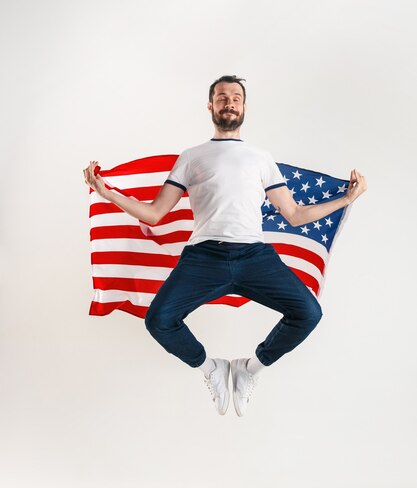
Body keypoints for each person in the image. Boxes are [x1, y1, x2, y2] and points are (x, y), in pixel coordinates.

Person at [83, 74, 367, 417]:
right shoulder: (192, 156)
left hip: (254, 256)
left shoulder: (261, 158)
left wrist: (346, 199)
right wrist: (107, 193)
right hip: (204, 256)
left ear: (244, 107)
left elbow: (293, 214)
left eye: (235, 97)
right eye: (221, 97)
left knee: (308, 313)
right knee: (159, 320)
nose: (229, 102)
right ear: (210, 106)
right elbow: (156, 213)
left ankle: (250, 369)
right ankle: (213, 370)